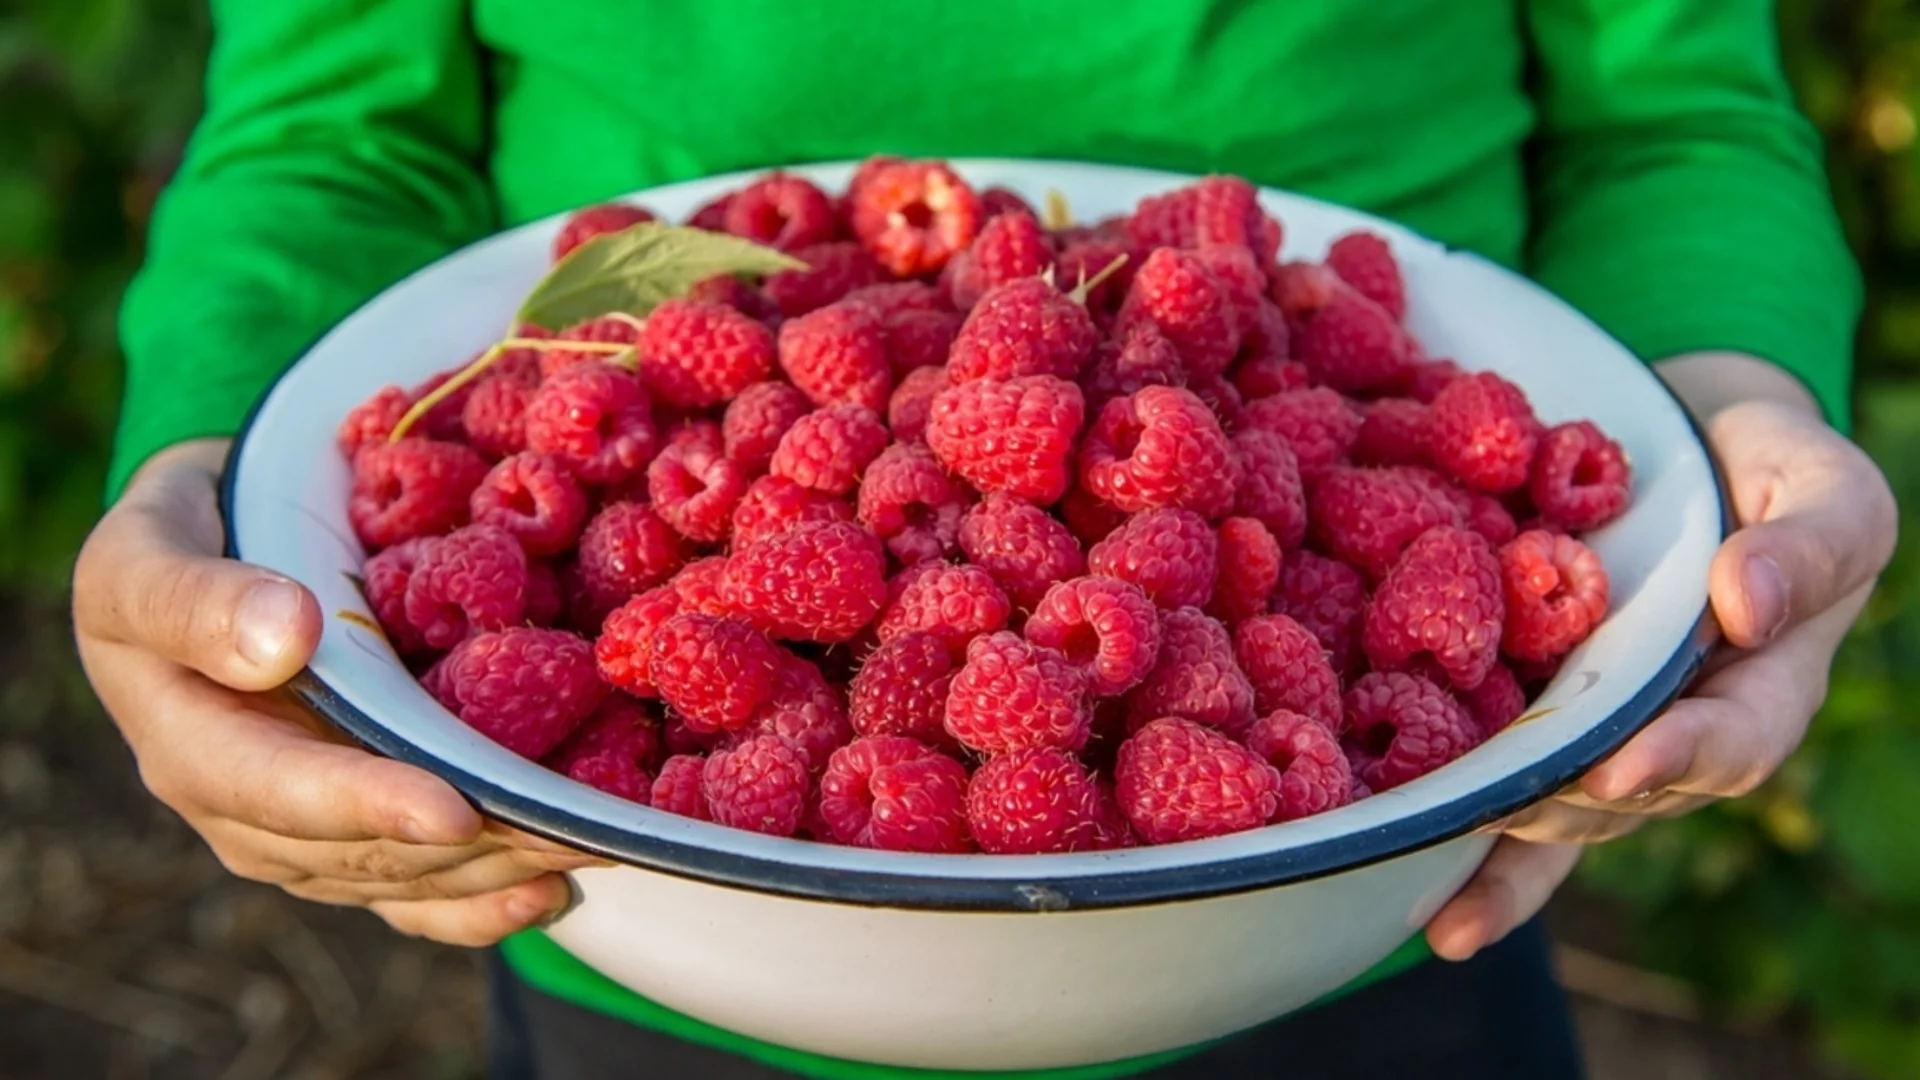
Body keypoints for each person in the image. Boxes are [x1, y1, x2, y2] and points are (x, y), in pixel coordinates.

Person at [72, 2, 1897, 1077]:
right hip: (641, 924)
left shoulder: (1256, 528)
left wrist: (1723, 410)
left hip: (1375, 915)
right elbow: (335, 144)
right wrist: (216, 477)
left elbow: (1668, 112)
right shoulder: (736, 521)